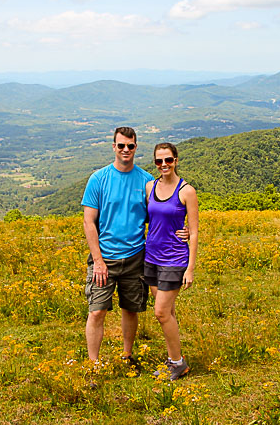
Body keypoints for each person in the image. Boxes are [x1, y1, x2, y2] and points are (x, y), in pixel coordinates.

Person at [81, 126, 153, 369]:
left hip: (135, 256)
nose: (125, 150)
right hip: (105, 258)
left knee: (131, 308)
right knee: (97, 311)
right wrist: (98, 261)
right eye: (121, 145)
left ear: (135, 147)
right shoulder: (98, 179)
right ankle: (94, 364)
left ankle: (127, 355)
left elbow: (158, 218)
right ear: (114, 147)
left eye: (130, 146)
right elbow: (89, 222)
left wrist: (181, 231)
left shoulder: (147, 182)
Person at [144, 142, 198, 381]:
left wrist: (190, 268)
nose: (163, 165)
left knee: (161, 312)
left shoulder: (187, 191)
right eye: (159, 161)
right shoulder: (150, 187)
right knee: (168, 312)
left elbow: (194, 232)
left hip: (174, 258)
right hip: (151, 257)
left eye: (168, 160)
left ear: (176, 160)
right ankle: (172, 358)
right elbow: (151, 218)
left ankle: (178, 363)